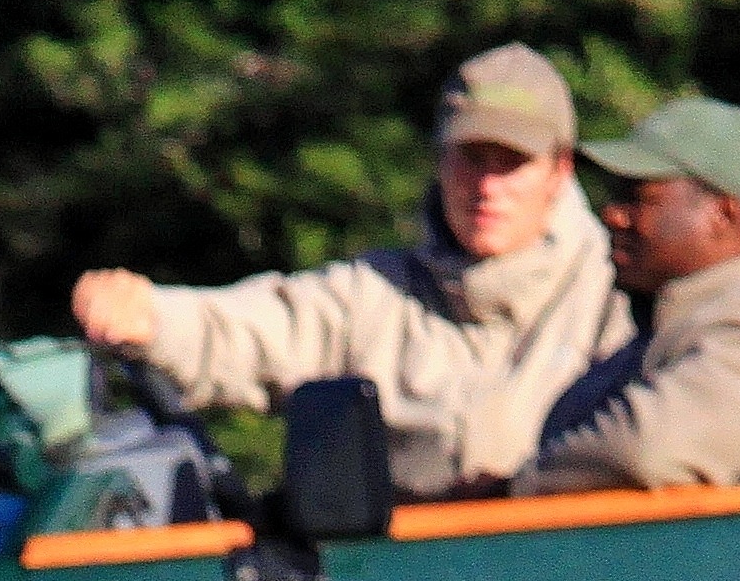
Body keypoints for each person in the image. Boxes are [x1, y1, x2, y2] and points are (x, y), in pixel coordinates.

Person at [72, 45, 634, 501]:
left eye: (512, 162)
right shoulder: (376, 294)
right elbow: (261, 328)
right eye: (470, 158)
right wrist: (152, 317)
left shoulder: (621, 294)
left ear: (559, 170)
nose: (487, 187)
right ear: (439, 161)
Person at [515, 98, 740, 493]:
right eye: (615, 195)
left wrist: (513, 490)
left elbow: (646, 450)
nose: (613, 214)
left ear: (724, 214)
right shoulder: (677, 319)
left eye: (639, 197)